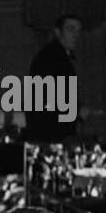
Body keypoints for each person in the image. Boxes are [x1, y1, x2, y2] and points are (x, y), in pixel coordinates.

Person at [24, 14, 81, 144]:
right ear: (57, 32)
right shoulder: (53, 58)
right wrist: (77, 110)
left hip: (51, 131)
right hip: (51, 133)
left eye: (78, 30)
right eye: (71, 29)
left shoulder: (54, 56)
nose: (75, 35)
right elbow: (46, 97)